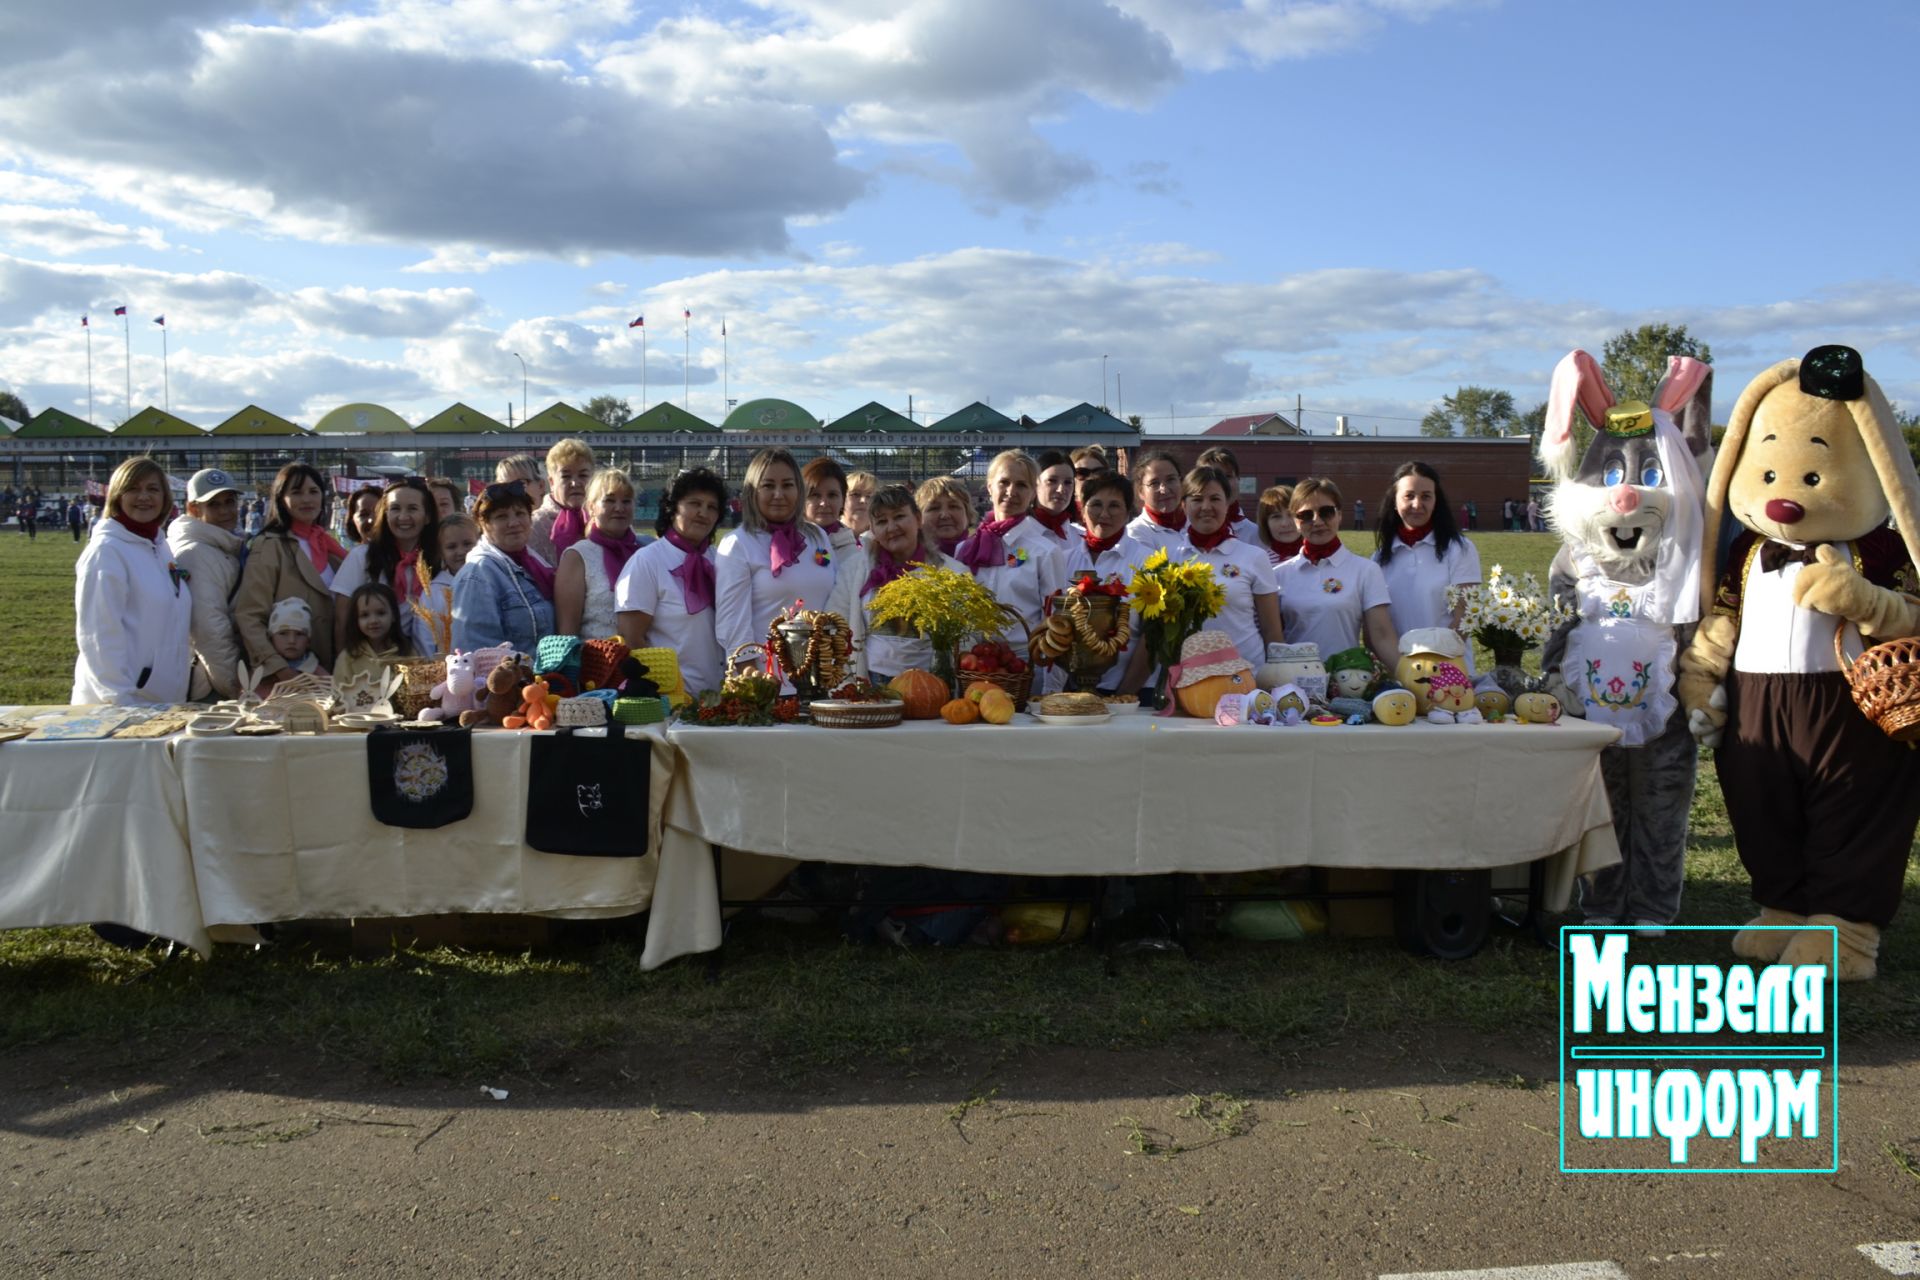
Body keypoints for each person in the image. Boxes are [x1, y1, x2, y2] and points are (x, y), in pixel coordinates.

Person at [71, 457, 194, 706]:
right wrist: (120, 699)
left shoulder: (160, 546)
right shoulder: (106, 551)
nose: (144, 497)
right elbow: (98, 635)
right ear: (117, 495)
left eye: (152, 489)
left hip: (162, 699)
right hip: (122, 705)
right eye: (133, 489)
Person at [716, 448, 845, 669]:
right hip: (768, 682)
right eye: (768, 486)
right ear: (752, 492)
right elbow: (732, 625)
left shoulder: (817, 536)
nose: (779, 494)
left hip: (821, 678)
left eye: (787, 485)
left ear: (799, 490)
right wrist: (754, 680)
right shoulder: (737, 544)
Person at [827, 483, 967, 684]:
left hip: (931, 684)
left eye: (899, 517)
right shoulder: (854, 569)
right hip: (870, 684)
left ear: (918, 519)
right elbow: (835, 624)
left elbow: (966, 639)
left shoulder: (953, 573)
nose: (892, 528)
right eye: (882, 521)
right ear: (873, 529)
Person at [617, 467, 727, 698]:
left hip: (722, 697)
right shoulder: (647, 561)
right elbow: (632, 639)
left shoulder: (722, 560)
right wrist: (663, 689)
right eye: (694, 503)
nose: (703, 513)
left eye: (711, 507)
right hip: (670, 698)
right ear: (672, 506)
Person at [1273, 476, 1398, 671]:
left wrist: (1408, 677)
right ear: (1295, 520)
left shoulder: (1366, 570)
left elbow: (1381, 636)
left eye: (1326, 512)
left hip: (1348, 682)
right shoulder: (1278, 575)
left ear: (1339, 514)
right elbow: (1273, 640)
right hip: (1295, 685)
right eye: (1306, 515)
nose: (1317, 521)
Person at [234, 463, 343, 683]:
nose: (307, 499)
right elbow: (250, 616)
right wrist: (280, 669)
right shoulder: (269, 546)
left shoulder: (327, 543)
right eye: (296, 492)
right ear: (280, 498)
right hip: (286, 678)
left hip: (326, 671)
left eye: (313, 491)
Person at [1176, 465, 1283, 669]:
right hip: (1189, 678)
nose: (1206, 507)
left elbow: (1272, 631)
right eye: (1197, 499)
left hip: (1248, 675)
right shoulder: (1169, 558)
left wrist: (1276, 677)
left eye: (1215, 499)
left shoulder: (1254, 557)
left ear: (1228, 503)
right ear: (1183, 505)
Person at [954, 449, 1067, 639]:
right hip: (969, 662)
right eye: (1004, 482)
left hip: (1023, 663)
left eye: (1021, 485)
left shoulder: (1045, 552)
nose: (1011, 491)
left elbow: (1055, 622)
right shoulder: (965, 549)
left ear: (1033, 494)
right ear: (990, 487)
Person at [1061, 470, 1151, 692]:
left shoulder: (1146, 561)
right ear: (1082, 510)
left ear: (1128, 512)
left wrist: (1124, 694)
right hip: (1072, 690)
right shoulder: (1064, 560)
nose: (1104, 514)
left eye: (1114, 506)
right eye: (1096, 504)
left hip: (1130, 692)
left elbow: (1152, 638)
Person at [330, 478, 441, 657]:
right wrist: (345, 666)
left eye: (412, 508)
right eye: (395, 509)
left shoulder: (439, 559)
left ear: (427, 516)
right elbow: (342, 617)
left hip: (424, 663)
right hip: (371, 664)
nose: (403, 517)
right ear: (385, 514)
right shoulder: (362, 556)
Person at [1373, 461, 1480, 639]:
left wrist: (1433, 660)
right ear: (1394, 500)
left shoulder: (1460, 549)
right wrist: (1401, 663)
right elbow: (1378, 627)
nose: (1417, 504)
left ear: (1436, 501)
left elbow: (1465, 617)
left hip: (1447, 662)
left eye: (1426, 496)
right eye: (1409, 496)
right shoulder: (1378, 559)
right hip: (1398, 663)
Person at [168, 468, 247, 700]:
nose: (225, 511)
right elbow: (209, 630)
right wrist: (236, 686)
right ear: (194, 508)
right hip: (211, 682)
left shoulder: (217, 544)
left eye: (229, 502)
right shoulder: (195, 554)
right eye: (213, 504)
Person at [451, 479, 555, 654]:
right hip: (512, 680)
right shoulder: (477, 574)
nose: (514, 523)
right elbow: (477, 653)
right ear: (483, 524)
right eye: (501, 516)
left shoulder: (536, 565)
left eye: (520, 513)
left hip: (545, 679)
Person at [555, 467, 644, 640]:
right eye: (609, 501)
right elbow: (567, 632)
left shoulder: (645, 550)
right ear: (591, 507)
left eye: (626, 501)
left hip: (651, 661)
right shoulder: (577, 556)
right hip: (598, 662)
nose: (619, 508)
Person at [331, 582, 410, 690]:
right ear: (356, 620)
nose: (373, 621)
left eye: (381, 613)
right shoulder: (347, 658)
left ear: (394, 616)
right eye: (365, 615)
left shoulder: (407, 653)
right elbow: (338, 695)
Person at [529, 439, 595, 564]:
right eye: (566, 476)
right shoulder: (535, 525)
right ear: (552, 482)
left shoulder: (604, 518)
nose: (575, 483)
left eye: (583, 475)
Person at [1124, 449, 1188, 556]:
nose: (1164, 489)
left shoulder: (1196, 523)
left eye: (1171, 479)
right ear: (1141, 492)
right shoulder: (1135, 534)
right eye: (1154, 483)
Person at [258, 597, 327, 690]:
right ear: (271, 638)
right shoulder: (262, 670)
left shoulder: (316, 671)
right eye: (283, 633)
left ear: (308, 641)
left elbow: (331, 694)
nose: (292, 640)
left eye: (299, 634)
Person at [1195, 447, 1261, 544]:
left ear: (1238, 479)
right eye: (1214, 477)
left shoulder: (1256, 534)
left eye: (1228, 476)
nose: (1223, 483)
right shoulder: (1184, 531)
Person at [802, 456, 859, 557]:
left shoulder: (855, 554)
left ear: (843, 500)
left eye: (832, 495)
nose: (824, 503)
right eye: (815, 495)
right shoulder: (787, 544)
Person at [1027, 449, 1084, 549]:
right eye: (1052, 481)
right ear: (1035, 484)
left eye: (1068, 482)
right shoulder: (1017, 534)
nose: (1061, 489)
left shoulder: (1083, 540)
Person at [915, 475, 975, 557]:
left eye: (953, 506)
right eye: (934, 508)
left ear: (968, 515)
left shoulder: (984, 556)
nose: (945, 515)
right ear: (918, 518)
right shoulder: (908, 562)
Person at [1256, 484, 1302, 566]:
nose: (1285, 523)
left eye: (1291, 514)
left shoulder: (1323, 559)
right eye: (1276, 516)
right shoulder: (1259, 564)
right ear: (1266, 523)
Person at [844, 470, 878, 540]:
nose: (863, 501)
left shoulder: (884, 539)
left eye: (869, 496)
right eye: (855, 494)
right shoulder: (827, 537)